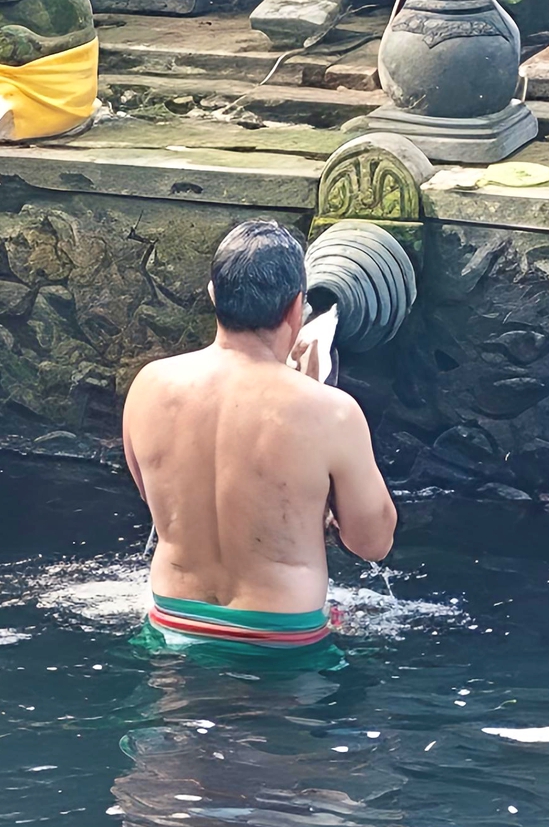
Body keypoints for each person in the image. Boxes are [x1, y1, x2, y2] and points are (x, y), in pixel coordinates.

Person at [121, 217, 396, 658]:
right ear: (295, 308)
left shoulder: (149, 385)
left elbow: (158, 503)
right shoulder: (331, 412)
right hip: (282, 641)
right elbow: (372, 543)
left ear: (213, 295)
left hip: (173, 625)